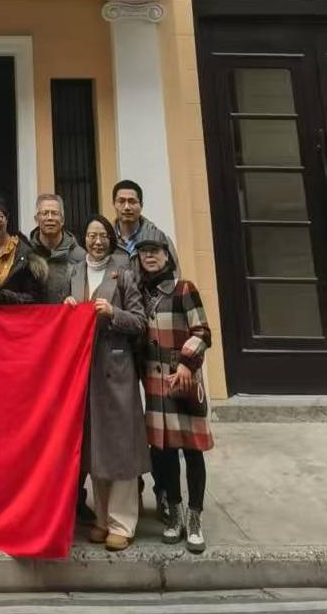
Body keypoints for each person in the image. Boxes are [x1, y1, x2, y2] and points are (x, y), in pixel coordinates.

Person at [65, 215, 150, 551]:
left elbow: (140, 321)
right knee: (95, 446)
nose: (97, 241)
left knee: (120, 444)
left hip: (116, 369)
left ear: (111, 239)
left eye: (102, 235)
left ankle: (122, 522)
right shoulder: (75, 272)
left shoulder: (123, 272)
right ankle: (101, 518)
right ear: (84, 239)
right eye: (91, 235)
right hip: (84, 370)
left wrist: (113, 313)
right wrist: (68, 307)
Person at [135, 237, 214, 554]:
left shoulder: (183, 289)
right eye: (144, 253)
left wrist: (185, 362)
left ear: (167, 256)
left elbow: (202, 332)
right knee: (163, 453)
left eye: (155, 252)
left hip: (182, 382)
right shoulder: (141, 294)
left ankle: (195, 518)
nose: (149, 257)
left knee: (192, 451)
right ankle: (175, 512)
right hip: (155, 387)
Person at [112, 180, 179, 279]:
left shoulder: (160, 240)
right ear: (114, 204)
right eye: (121, 201)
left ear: (141, 205)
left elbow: (175, 278)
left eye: (132, 201)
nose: (126, 207)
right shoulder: (107, 241)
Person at [29, 192, 86, 303]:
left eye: (55, 213)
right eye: (45, 213)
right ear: (36, 219)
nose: (50, 218)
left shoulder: (80, 256)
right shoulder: (26, 254)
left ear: (62, 220)